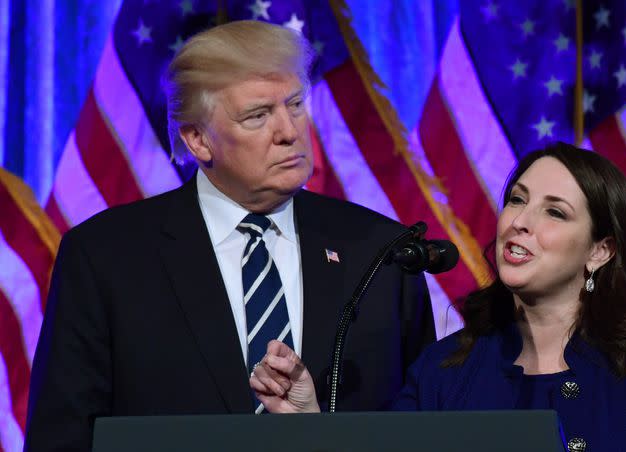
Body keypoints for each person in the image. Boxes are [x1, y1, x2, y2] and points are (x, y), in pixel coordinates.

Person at [24, 20, 434, 451]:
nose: (289, 132)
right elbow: (63, 435)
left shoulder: (380, 251)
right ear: (199, 140)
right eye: (258, 115)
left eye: (295, 105)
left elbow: (423, 426)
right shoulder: (106, 257)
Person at [251, 142, 626, 451]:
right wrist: (309, 423)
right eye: (518, 199)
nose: (520, 221)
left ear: (600, 250)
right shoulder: (446, 371)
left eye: (555, 212)